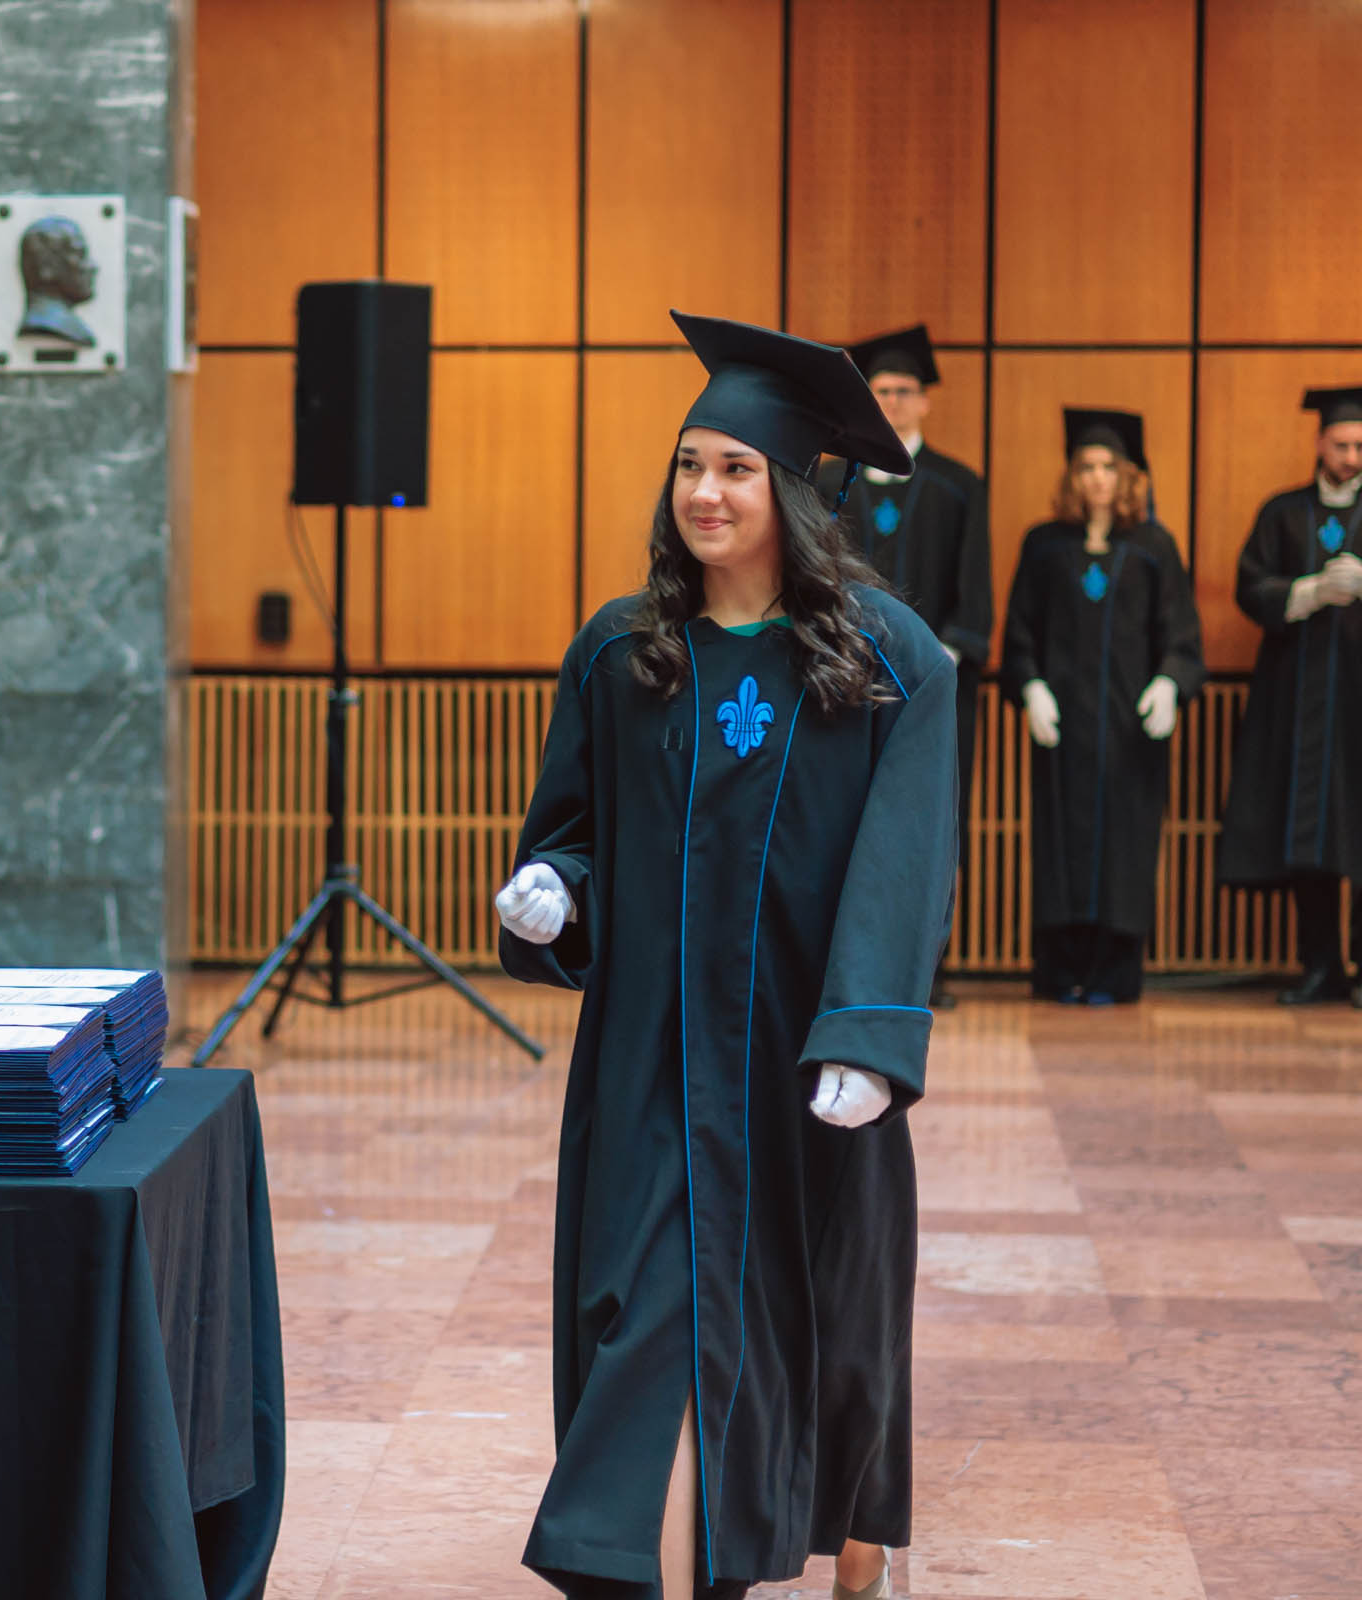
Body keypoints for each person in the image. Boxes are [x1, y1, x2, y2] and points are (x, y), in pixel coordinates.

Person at [496, 311, 956, 1600]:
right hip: (653, 1059)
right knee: (654, 1317)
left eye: (735, 468)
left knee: (832, 1324)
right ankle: (656, 1567)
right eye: (689, 465)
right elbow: (577, 830)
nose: (704, 490)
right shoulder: (620, 652)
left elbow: (907, 863)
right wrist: (556, 889)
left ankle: (855, 1531)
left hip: (805, 1063)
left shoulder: (890, 661)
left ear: (793, 487)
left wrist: (869, 1033)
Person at [1000, 409, 1205, 1004]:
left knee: (1126, 847)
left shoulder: (1154, 548)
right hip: (1061, 729)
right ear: (1072, 475)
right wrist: (1030, 686)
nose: (1097, 478)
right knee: (1059, 845)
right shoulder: (1044, 544)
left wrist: (1169, 683)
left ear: (1128, 476)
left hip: (1129, 732)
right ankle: (1059, 971)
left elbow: (1181, 633)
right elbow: (1020, 628)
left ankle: (1115, 973)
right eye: (1087, 467)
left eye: (1108, 467)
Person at [824, 324, 992, 1008]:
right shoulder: (829, 480)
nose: (892, 403)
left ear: (925, 400)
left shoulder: (959, 485)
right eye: (881, 391)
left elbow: (974, 591)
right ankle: (843, 971)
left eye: (904, 391)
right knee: (841, 819)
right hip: (841, 681)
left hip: (935, 688)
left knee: (928, 820)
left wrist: (937, 660)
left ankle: (928, 972)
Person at [1219, 385, 1362, 1005]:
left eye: (1361, 446)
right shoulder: (1282, 512)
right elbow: (1249, 586)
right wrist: (1307, 593)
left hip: (1355, 701)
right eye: (1342, 444)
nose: (1352, 457)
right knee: (1310, 831)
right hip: (1297, 699)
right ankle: (1321, 966)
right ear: (1319, 442)